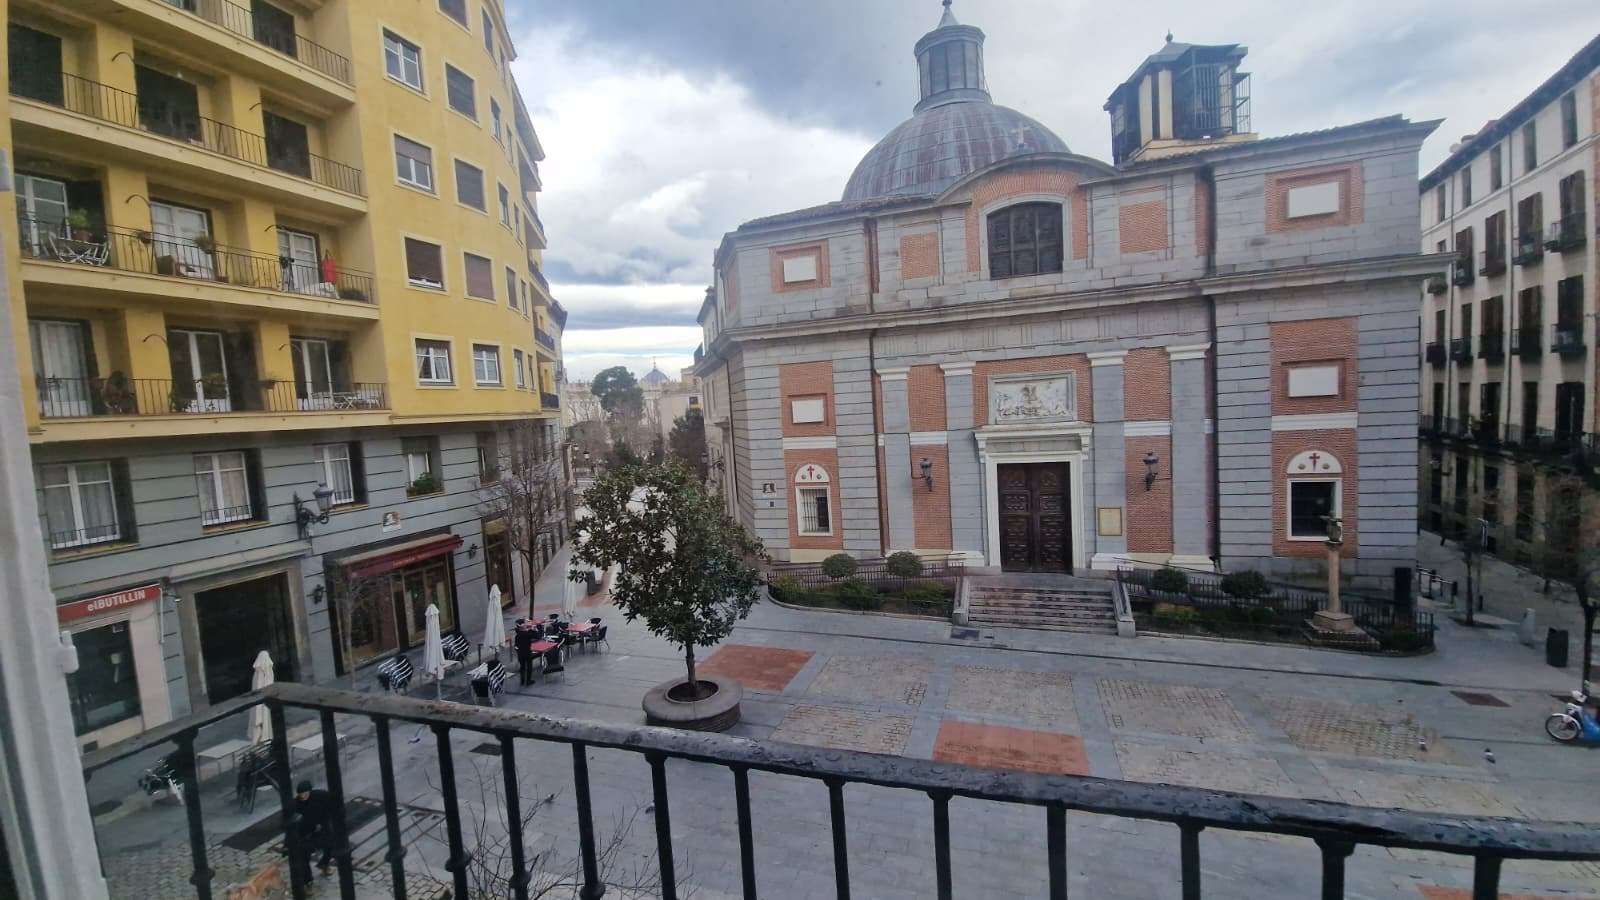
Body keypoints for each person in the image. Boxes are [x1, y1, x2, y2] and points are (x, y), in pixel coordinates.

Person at [292, 780, 337, 879]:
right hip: (306, 832)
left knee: (330, 845)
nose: (303, 796)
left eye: (305, 793)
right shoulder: (296, 804)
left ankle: (324, 864)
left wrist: (327, 818)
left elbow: (332, 803)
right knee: (304, 857)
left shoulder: (320, 795)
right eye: (301, 794)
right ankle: (308, 881)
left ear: (310, 791)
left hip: (321, 826)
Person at [513, 618, 538, 686]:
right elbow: (537, 636)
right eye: (524, 623)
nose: (526, 624)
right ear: (522, 625)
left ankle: (522, 680)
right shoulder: (527, 634)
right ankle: (528, 681)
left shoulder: (518, 634)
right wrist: (534, 629)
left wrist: (529, 629)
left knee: (522, 667)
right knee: (529, 666)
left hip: (520, 653)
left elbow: (516, 645)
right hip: (527, 652)